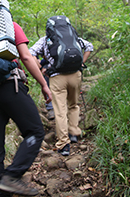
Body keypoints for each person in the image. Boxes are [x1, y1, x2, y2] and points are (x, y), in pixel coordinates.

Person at [0, 21, 52, 196]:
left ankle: (0, 193)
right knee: (35, 131)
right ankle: (12, 176)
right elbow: (26, 57)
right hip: (10, 86)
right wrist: (44, 85)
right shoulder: (8, 23)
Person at [29, 16, 93, 156]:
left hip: (57, 77)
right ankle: (74, 133)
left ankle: (63, 144)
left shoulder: (46, 39)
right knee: (74, 105)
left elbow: (31, 53)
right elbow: (89, 47)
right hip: (75, 75)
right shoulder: (72, 37)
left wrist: (41, 67)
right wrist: (81, 62)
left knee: (60, 110)